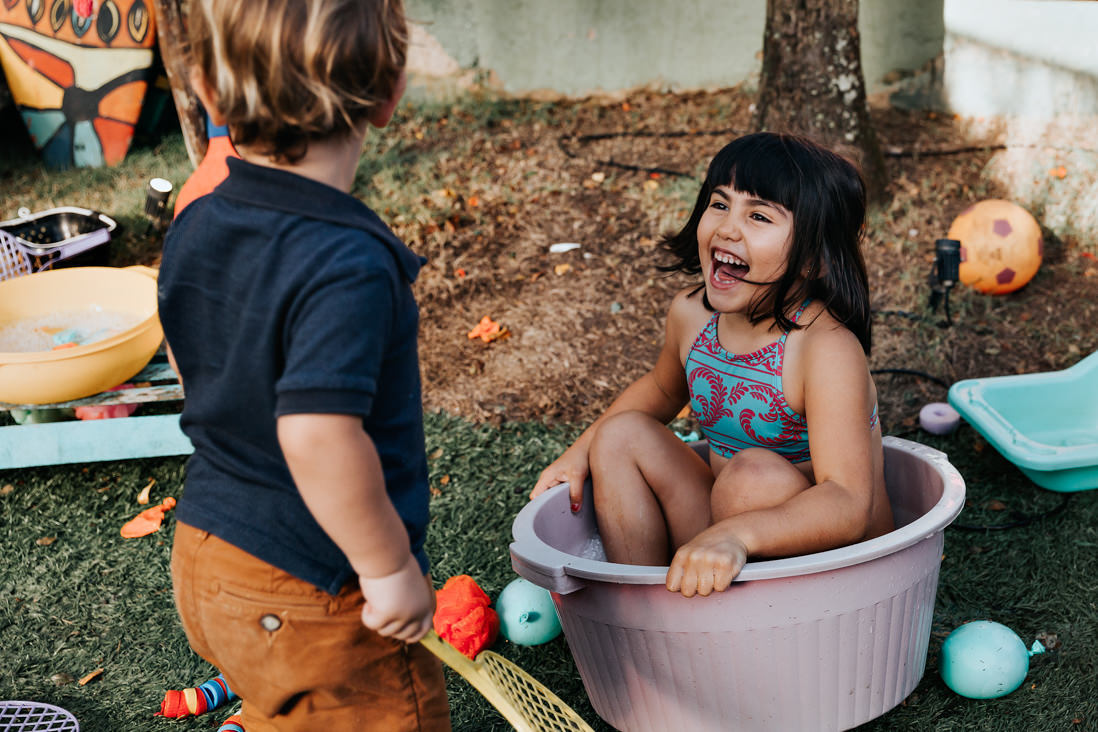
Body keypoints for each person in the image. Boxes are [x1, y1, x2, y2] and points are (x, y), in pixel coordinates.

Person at [157, 0, 450, 729]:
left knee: (280, 701)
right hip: (312, 587)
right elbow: (316, 434)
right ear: (390, 93)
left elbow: (186, 357)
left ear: (212, 93)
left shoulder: (198, 218)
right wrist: (387, 571)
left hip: (206, 554)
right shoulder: (348, 260)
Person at [531, 132, 894, 599]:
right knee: (621, 433)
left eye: (758, 216)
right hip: (724, 534)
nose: (726, 228)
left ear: (813, 260)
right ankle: (643, 607)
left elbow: (848, 502)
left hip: (830, 564)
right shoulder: (692, 314)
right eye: (720, 204)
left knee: (751, 477)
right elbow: (661, 391)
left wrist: (738, 535)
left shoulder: (824, 348)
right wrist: (579, 452)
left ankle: (723, 621)